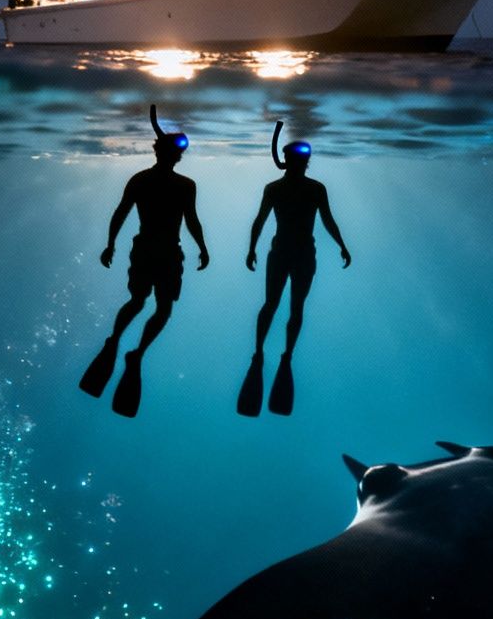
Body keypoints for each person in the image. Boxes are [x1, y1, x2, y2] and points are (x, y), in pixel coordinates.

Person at [79, 105, 210, 417]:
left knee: (148, 304)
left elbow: (189, 219)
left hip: (158, 251)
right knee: (147, 304)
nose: (177, 157)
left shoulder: (167, 183)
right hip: (156, 250)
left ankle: (126, 349)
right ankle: (123, 347)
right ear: (170, 154)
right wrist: (109, 244)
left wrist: (202, 247)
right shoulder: (165, 183)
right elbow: (123, 212)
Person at [238, 122, 350, 416]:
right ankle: (271, 354)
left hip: (291, 254)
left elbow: (327, 220)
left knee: (282, 306)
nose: (303, 164)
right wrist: (251, 248)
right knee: (283, 306)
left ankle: (271, 354)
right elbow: (261, 221)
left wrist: (342, 244)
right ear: (293, 161)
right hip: (292, 254)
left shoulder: (295, 188)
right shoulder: (298, 188)